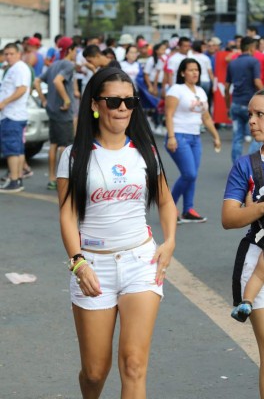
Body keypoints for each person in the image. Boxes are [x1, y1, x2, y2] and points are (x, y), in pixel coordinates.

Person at [56, 67, 177, 398]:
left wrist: (170, 242)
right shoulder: (75, 156)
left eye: (129, 101)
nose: (123, 108)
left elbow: (166, 204)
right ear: (96, 104)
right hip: (93, 267)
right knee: (95, 373)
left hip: (141, 262)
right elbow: (67, 214)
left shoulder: (145, 153)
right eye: (114, 101)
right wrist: (78, 262)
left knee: (134, 365)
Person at [222, 88, 264, 399]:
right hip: (259, 263)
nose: (251, 121)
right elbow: (229, 218)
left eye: (259, 114)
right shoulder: (246, 165)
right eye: (250, 114)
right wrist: (263, 207)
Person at [165, 58, 221, 223]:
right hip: (179, 136)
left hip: (195, 138)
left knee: (192, 176)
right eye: (190, 70)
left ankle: (188, 210)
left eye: (196, 69)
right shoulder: (176, 89)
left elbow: (206, 117)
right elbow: (168, 114)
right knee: (189, 174)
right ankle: (169, 208)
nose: (195, 72)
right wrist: (171, 136)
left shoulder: (201, 91)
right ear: (182, 73)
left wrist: (216, 136)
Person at [34, 37, 78, 190]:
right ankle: (63, 179)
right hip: (62, 112)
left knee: (54, 144)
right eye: (75, 50)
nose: (76, 53)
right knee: (65, 146)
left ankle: (53, 178)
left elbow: (37, 81)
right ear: (70, 50)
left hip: (52, 110)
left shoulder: (54, 65)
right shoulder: (67, 65)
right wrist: (66, 100)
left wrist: (44, 100)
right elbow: (57, 81)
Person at [225, 36, 263, 164]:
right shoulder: (253, 61)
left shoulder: (232, 63)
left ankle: (237, 166)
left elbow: (226, 87)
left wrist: (227, 106)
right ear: (251, 47)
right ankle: (251, 165)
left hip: (235, 103)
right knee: (258, 136)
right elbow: (257, 82)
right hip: (251, 106)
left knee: (237, 138)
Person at [0, 43, 31, 193]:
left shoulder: (19, 68)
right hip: (14, 114)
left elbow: (22, 89)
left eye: (11, 53)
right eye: (6, 54)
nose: (8, 56)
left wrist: (4, 102)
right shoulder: (14, 68)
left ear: (19, 54)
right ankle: (17, 178)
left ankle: (14, 180)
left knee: (12, 149)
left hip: (12, 114)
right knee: (17, 149)